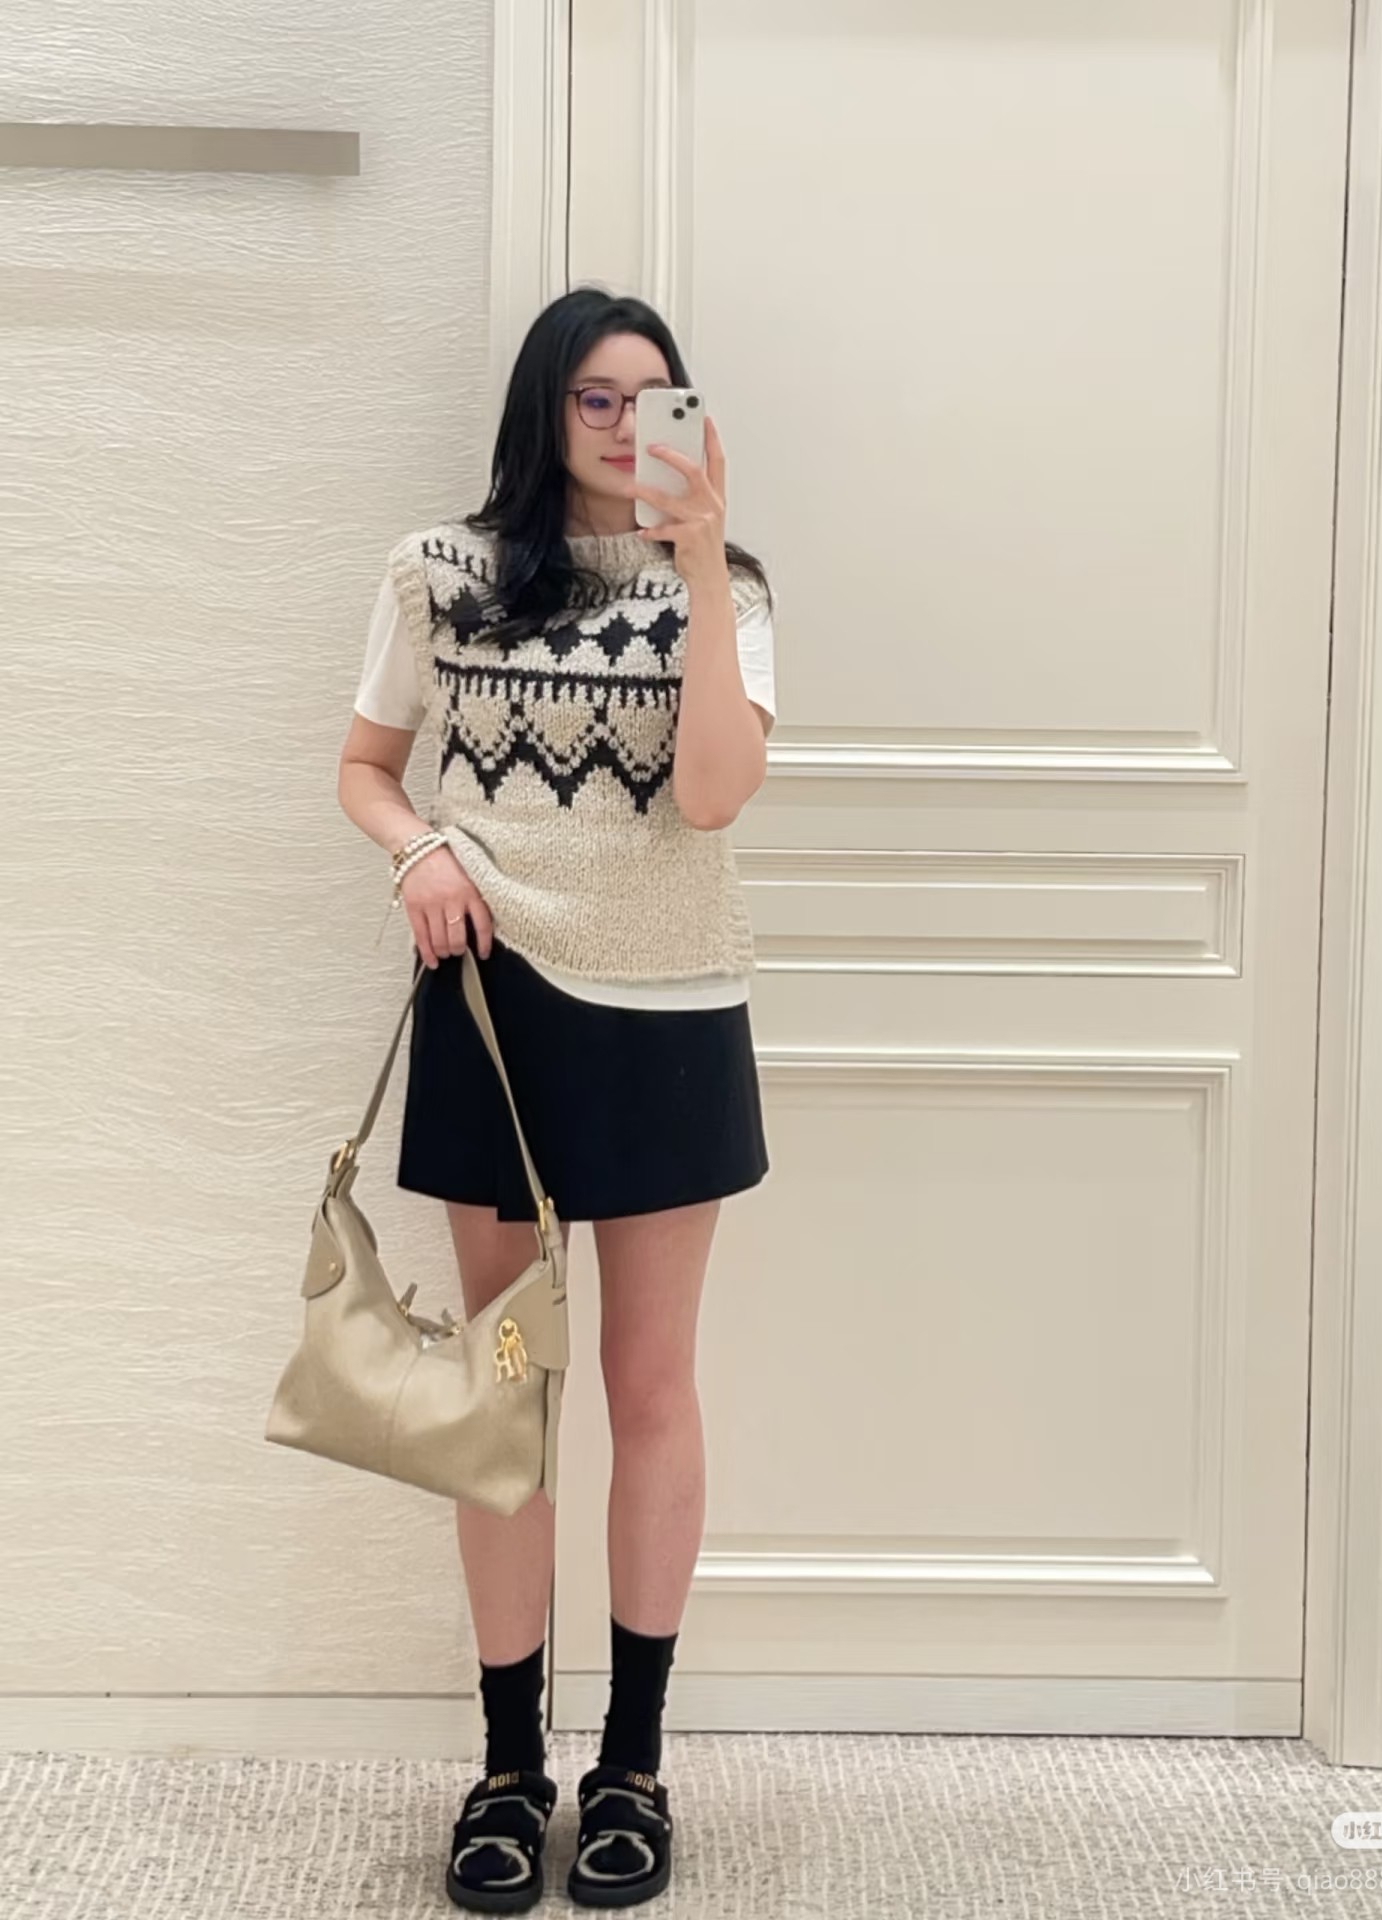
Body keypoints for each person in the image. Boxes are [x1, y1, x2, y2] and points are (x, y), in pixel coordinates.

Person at [336, 286, 777, 1912]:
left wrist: (700, 572)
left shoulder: (731, 591)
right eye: (595, 398)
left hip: (670, 1012)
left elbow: (713, 796)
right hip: (495, 1004)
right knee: (505, 1397)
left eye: (652, 400)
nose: (622, 425)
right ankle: (510, 1768)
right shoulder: (436, 572)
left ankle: (633, 1769)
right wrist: (421, 853)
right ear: (544, 408)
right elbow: (365, 769)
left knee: (651, 1389)